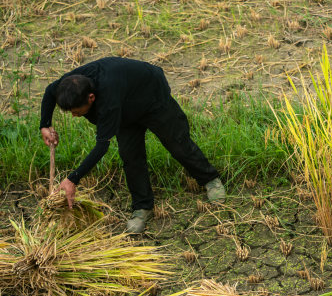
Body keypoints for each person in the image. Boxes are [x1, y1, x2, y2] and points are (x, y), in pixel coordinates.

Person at [39, 56, 226, 233]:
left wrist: (72, 179)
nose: (74, 115)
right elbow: (49, 91)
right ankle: (142, 207)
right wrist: (45, 125)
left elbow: (101, 147)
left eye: (77, 111)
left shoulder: (108, 101)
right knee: (131, 157)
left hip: (151, 97)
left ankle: (210, 179)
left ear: (91, 98)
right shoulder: (70, 83)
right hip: (125, 108)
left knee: (178, 143)